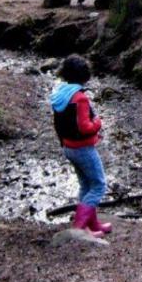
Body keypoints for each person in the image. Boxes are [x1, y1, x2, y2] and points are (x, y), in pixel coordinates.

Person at [49, 55, 111, 236]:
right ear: (84, 75)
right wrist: (98, 123)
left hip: (68, 147)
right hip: (82, 148)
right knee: (98, 185)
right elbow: (85, 127)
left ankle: (93, 226)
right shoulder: (80, 98)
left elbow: (59, 124)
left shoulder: (60, 94)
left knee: (85, 185)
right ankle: (80, 228)